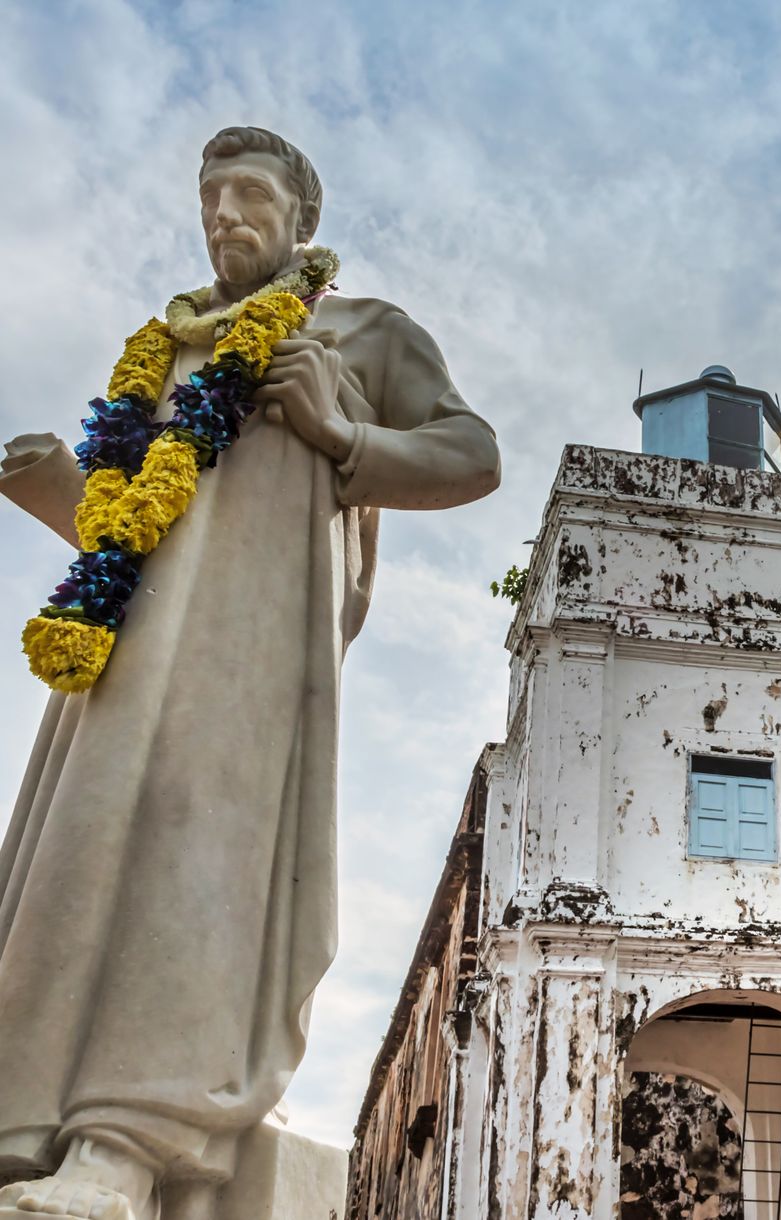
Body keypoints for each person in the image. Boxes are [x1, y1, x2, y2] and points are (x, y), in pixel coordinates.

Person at [0, 126, 500, 1220]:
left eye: (248, 194)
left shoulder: (362, 330)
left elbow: (471, 454)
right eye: (209, 195)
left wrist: (341, 431)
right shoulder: (165, 348)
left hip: (251, 644)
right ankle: (23, 1124)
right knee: (75, 857)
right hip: (126, 646)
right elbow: (134, 520)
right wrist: (59, 488)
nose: (223, 214)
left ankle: (126, 1138)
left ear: (301, 219)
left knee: (199, 857)